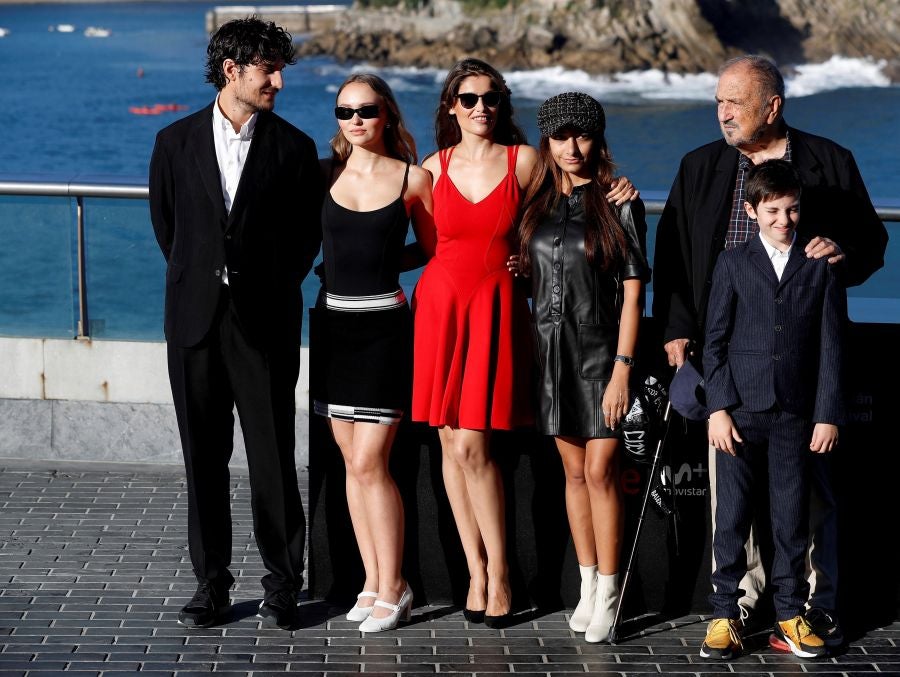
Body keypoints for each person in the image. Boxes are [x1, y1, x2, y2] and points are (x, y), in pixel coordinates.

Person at [652, 54, 887, 646]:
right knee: (733, 492)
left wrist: (841, 251)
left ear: (772, 106)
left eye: (734, 102)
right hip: (725, 357)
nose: (723, 113)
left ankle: (812, 604)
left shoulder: (828, 162)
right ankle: (741, 604)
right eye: (719, 102)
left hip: (801, 365)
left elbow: (871, 243)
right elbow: (674, 254)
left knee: (808, 494)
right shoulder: (700, 165)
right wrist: (677, 328)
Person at [411, 59, 636, 627]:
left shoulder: (525, 162)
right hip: (442, 308)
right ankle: (476, 573)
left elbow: (565, 209)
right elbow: (425, 243)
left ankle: (505, 576)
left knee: (474, 449)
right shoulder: (428, 170)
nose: (479, 107)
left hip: (500, 312)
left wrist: (617, 184)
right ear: (450, 105)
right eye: (467, 98)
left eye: (490, 98)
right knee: (448, 447)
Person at [148, 18, 323, 630]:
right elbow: (168, 228)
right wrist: (205, 279)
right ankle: (211, 586)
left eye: (279, 68)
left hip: (265, 324)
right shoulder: (173, 142)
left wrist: (267, 286)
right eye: (268, 69)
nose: (278, 80)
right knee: (203, 457)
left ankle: (282, 585)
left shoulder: (296, 148)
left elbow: (306, 236)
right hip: (194, 322)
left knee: (272, 456)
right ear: (233, 70)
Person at [514, 92, 650, 643]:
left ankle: (612, 593)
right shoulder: (536, 203)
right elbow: (531, 273)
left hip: (600, 355)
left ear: (598, 138)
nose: (572, 147)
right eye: (560, 136)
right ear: (546, 141)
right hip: (550, 353)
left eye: (583, 135)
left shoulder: (619, 201)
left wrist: (622, 368)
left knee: (601, 473)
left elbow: (636, 289)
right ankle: (588, 585)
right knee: (572, 474)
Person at [701, 159, 846, 660]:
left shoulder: (818, 266)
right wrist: (718, 408)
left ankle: (790, 613)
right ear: (752, 211)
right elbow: (714, 342)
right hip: (739, 413)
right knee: (732, 518)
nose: (784, 219)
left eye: (792, 209)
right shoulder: (733, 262)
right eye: (773, 210)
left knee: (789, 520)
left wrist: (827, 413)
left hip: (794, 415)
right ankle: (723, 614)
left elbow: (831, 346)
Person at [311, 73, 434, 632]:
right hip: (333, 327)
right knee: (350, 463)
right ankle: (370, 581)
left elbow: (431, 250)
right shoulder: (324, 174)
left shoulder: (414, 178)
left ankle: (397, 585)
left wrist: (380, 270)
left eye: (365, 110)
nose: (354, 120)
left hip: (385, 328)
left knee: (369, 462)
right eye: (344, 111)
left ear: (386, 114)